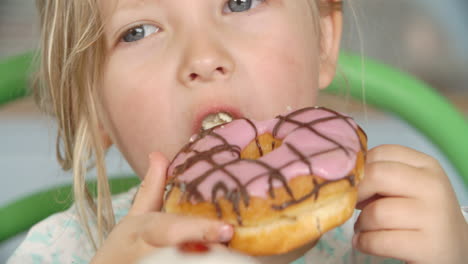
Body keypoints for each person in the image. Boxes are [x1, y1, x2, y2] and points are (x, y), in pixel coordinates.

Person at [8, 0, 468, 263]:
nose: (203, 57)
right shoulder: (62, 253)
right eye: (139, 30)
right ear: (94, 109)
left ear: (323, 39)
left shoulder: (407, 234)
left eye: (240, 1)